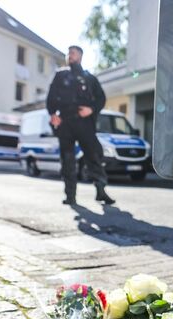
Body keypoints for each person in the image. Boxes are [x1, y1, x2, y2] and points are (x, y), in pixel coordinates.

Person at [47, 45, 114, 205]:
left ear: (81, 56)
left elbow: (101, 99)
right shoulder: (60, 75)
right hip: (65, 122)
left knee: (94, 156)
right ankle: (70, 195)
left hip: (84, 123)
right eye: (68, 53)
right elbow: (51, 97)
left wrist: (91, 109)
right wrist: (52, 114)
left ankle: (101, 190)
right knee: (67, 159)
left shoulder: (90, 78)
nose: (70, 55)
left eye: (73, 53)